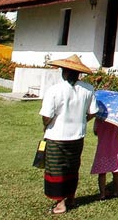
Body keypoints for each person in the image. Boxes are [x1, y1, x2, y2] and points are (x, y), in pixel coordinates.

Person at [40, 54, 98, 215]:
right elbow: (93, 112)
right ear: (78, 73)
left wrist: (46, 125)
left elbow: (46, 115)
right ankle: (71, 198)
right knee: (72, 168)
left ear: (64, 72)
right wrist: (82, 120)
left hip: (56, 136)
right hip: (77, 136)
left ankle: (60, 203)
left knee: (56, 169)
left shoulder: (54, 90)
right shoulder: (88, 89)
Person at [91, 118, 118, 199]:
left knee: (102, 173)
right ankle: (116, 192)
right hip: (114, 149)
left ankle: (102, 194)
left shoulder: (99, 118)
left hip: (102, 149)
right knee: (116, 171)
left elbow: (95, 132)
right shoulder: (117, 118)